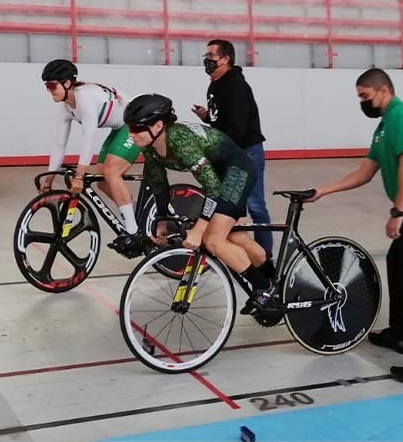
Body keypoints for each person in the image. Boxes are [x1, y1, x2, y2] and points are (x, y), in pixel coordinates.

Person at [308, 68, 403, 387]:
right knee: (397, 262)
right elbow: (366, 171)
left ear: (384, 91)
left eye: (365, 97)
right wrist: (325, 189)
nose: (363, 103)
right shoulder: (385, 126)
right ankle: (399, 334)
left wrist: (398, 211)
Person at [125, 93, 276, 315]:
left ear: (158, 126)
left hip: (235, 172)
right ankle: (274, 279)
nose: (131, 134)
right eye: (130, 128)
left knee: (212, 239)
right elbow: (159, 184)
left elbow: (213, 189)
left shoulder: (179, 140)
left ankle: (265, 290)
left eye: (136, 128)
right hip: (218, 174)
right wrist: (162, 221)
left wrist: (199, 229)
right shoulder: (150, 147)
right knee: (235, 238)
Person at [40, 59, 142, 241]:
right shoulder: (65, 109)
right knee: (102, 180)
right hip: (119, 127)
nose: (49, 90)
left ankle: (134, 232)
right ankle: (136, 213)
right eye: (47, 86)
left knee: (111, 172)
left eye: (52, 86)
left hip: (136, 124)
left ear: (67, 83)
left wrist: (79, 175)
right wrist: (48, 180)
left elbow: (89, 135)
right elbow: (59, 145)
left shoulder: (85, 97)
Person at [192, 39, 274, 260]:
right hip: (230, 153)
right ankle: (239, 251)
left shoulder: (236, 86)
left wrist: (221, 152)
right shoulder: (215, 85)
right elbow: (223, 120)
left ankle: (266, 256)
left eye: (211, 55)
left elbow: (237, 127)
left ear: (225, 59)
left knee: (255, 205)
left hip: (246, 151)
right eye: (206, 56)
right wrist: (207, 117)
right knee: (231, 206)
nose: (206, 60)